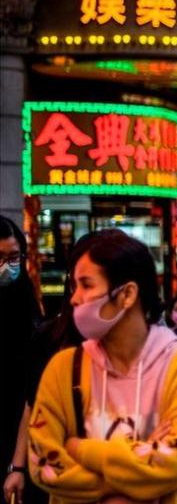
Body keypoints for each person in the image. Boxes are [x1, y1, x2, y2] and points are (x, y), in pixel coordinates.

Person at [28, 229, 177, 502]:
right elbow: (43, 464)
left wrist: (81, 450)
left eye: (86, 285)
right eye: (74, 285)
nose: (75, 298)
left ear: (127, 294)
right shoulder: (64, 368)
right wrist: (143, 464)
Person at [1, 216, 44, 504]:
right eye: (0, 257)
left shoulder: (25, 299)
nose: (6, 266)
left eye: (13, 257)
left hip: (19, 433)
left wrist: (18, 464)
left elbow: (32, 393)